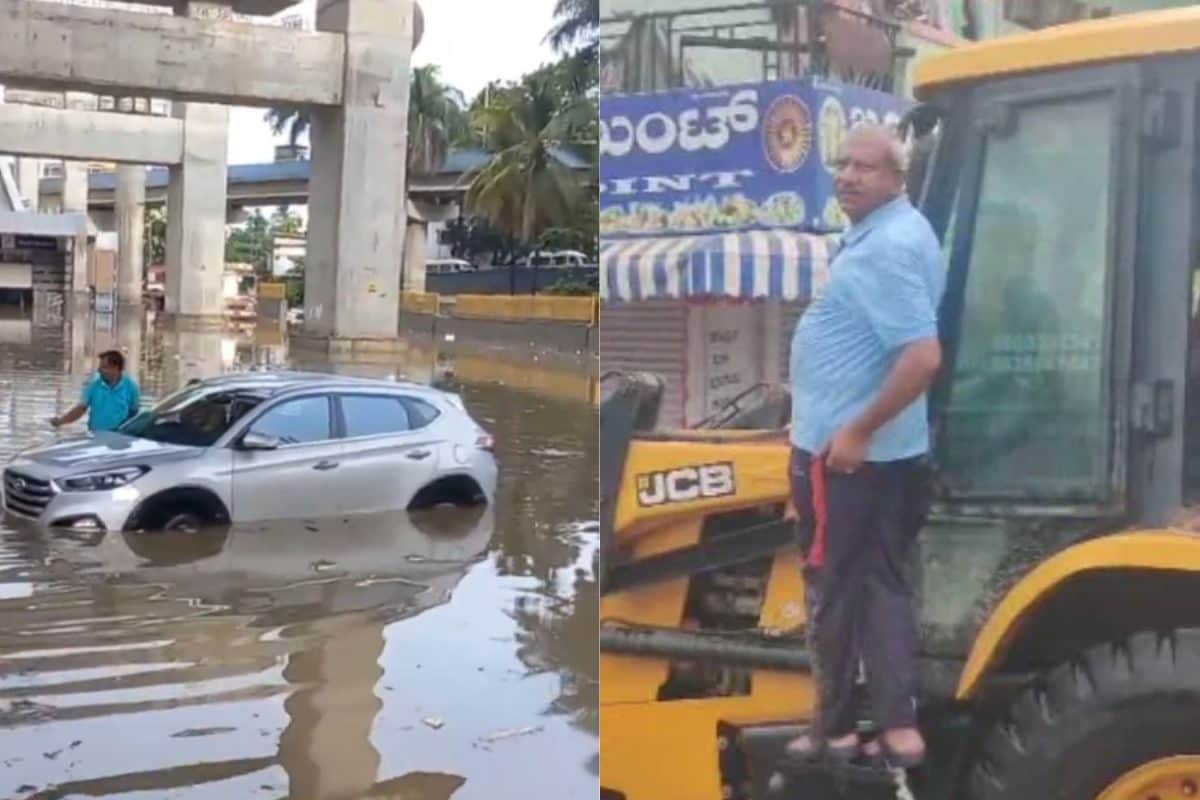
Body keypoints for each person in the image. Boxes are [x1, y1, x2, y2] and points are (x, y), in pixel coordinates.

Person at [786, 124, 945, 769]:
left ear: (897, 178)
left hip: (848, 460)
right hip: (882, 455)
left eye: (865, 167)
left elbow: (922, 357)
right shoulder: (900, 232)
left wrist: (854, 429)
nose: (847, 176)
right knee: (881, 584)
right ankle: (898, 724)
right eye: (843, 164)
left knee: (832, 590)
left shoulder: (886, 248)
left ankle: (832, 728)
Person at [51, 350, 141, 433]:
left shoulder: (131, 387)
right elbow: (81, 409)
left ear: (115, 368)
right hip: (96, 436)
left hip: (120, 436)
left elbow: (134, 413)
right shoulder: (93, 384)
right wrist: (61, 421)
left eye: (104, 367)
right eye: (100, 367)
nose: (99, 370)